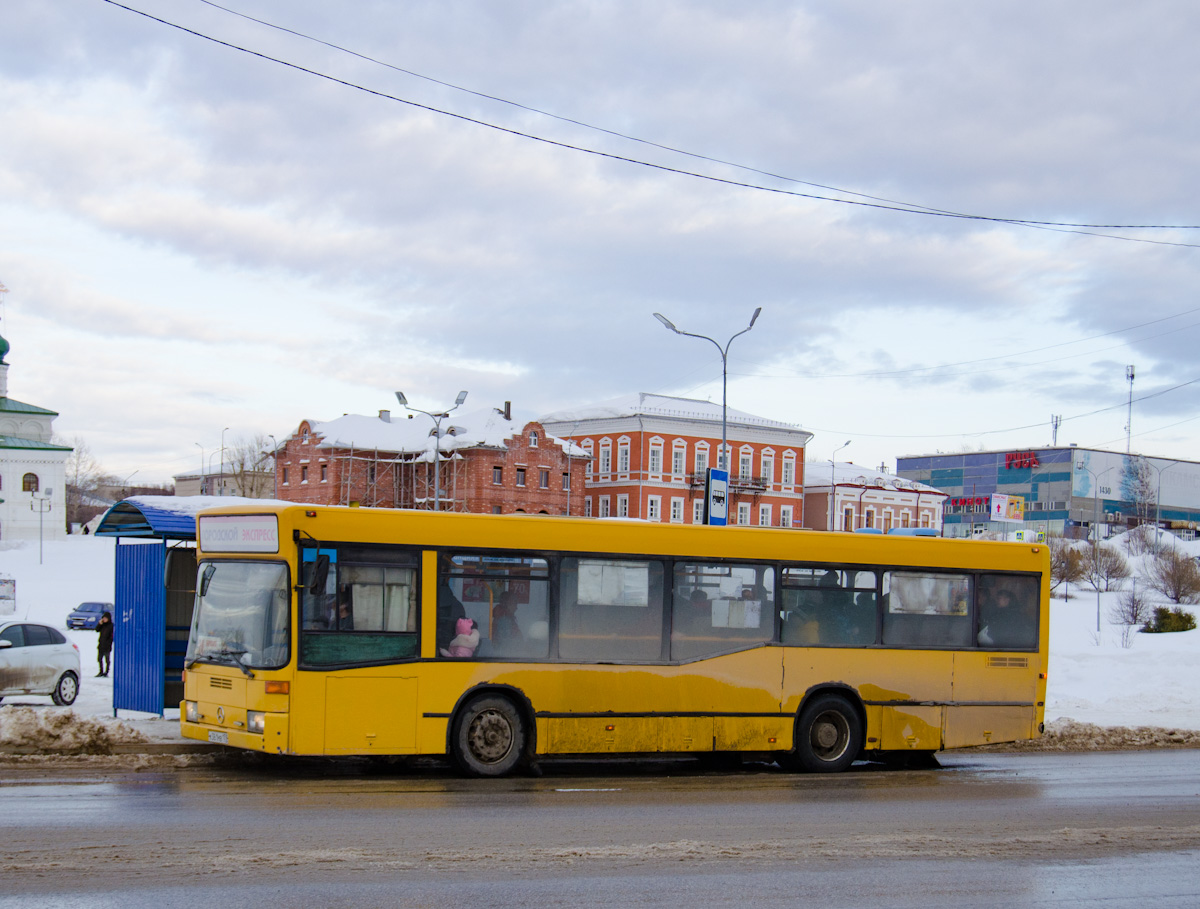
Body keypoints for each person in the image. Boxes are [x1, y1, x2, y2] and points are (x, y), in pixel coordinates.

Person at [96, 611, 114, 677]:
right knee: (99, 659)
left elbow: (111, 636)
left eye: (105, 618)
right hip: (101, 645)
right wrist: (99, 624)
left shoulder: (111, 626)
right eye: (103, 618)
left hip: (107, 646)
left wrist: (109, 643)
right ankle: (101, 671)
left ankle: (106, 672)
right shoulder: (102, 625)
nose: (104, 619)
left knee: (107, 659)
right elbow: (97, 630)